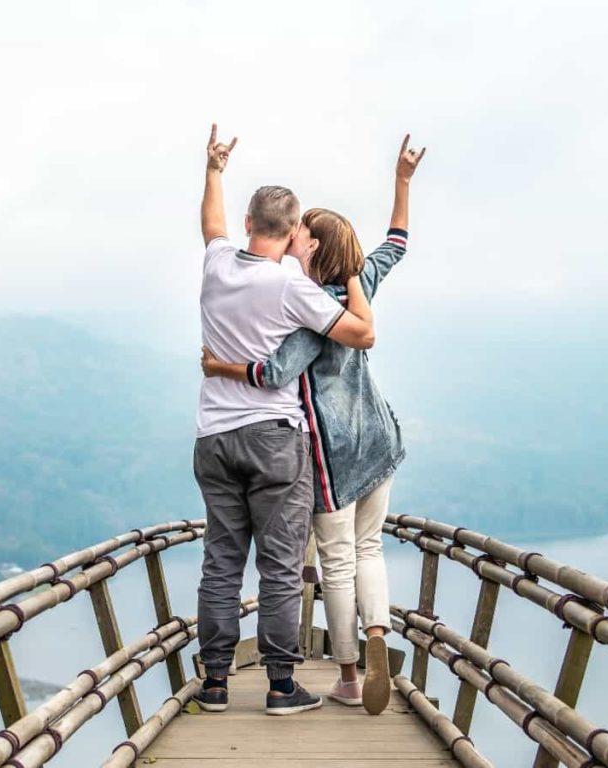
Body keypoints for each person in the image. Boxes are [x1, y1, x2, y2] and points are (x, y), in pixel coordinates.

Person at [201, 134, 426, 715]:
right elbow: (392, 251)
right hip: (360, 441)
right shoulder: (333, 285)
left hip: (279, 446)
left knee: (296, 560)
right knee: (349, 552)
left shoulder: (261, 282)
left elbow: (274, 368)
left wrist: (217, 364)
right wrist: (402, 182)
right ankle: (340, 654)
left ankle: (316, 676)